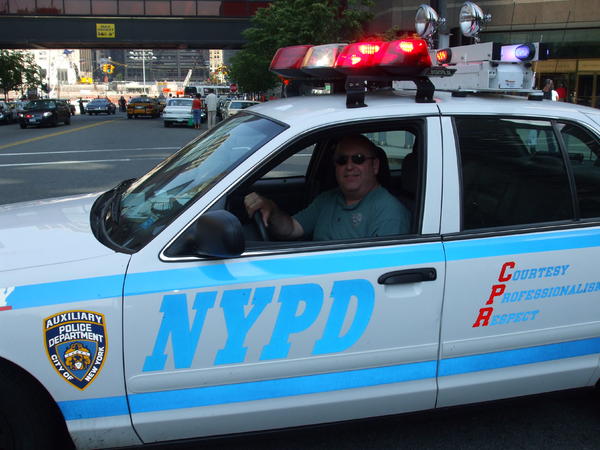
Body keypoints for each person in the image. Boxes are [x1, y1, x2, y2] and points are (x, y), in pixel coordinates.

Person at [244, 134, 411, 241]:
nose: (349, 166)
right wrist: (271, 209)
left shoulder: (389, 213)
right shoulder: (328, 199)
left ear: (375, 166)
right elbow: (291, 229)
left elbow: (381, 271)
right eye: (342, 160)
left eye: (358, 159)